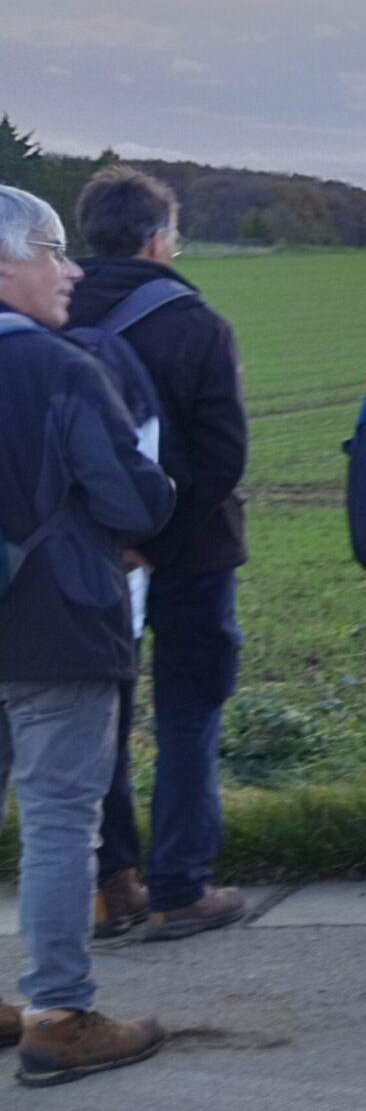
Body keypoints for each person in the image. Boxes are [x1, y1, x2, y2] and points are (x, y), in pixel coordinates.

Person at [0, 183, 176, 1086]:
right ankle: (61, 1013)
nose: (68, 271)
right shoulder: (60, 367)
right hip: (58, 623)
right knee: (61, 820)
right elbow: (134, 497)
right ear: (5, 265)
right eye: (50, 252)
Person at [68, 167, 251, 945]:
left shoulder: (45, 314)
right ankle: (180, 886)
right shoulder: (195, 322)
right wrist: (156, 539)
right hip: (191, 551)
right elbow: (221, 458)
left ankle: (113, 885)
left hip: (79, 557)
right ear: (157, 237)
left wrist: (113, 539)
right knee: (187, 715)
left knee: (93, 717)